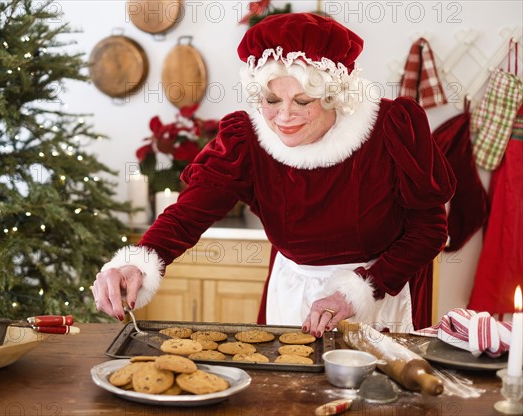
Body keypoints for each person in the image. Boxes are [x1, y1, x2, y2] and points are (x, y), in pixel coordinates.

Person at [92, 13, 456, 335]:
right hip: (290, 295)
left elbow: (429, 231)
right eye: (270, 100)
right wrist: (137, 261)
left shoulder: (390, 129)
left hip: (378, 298)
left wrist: (361, 289)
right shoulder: (246, 140)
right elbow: (188, 214)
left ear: (334, 95)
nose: (284, 117)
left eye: (302, 102)